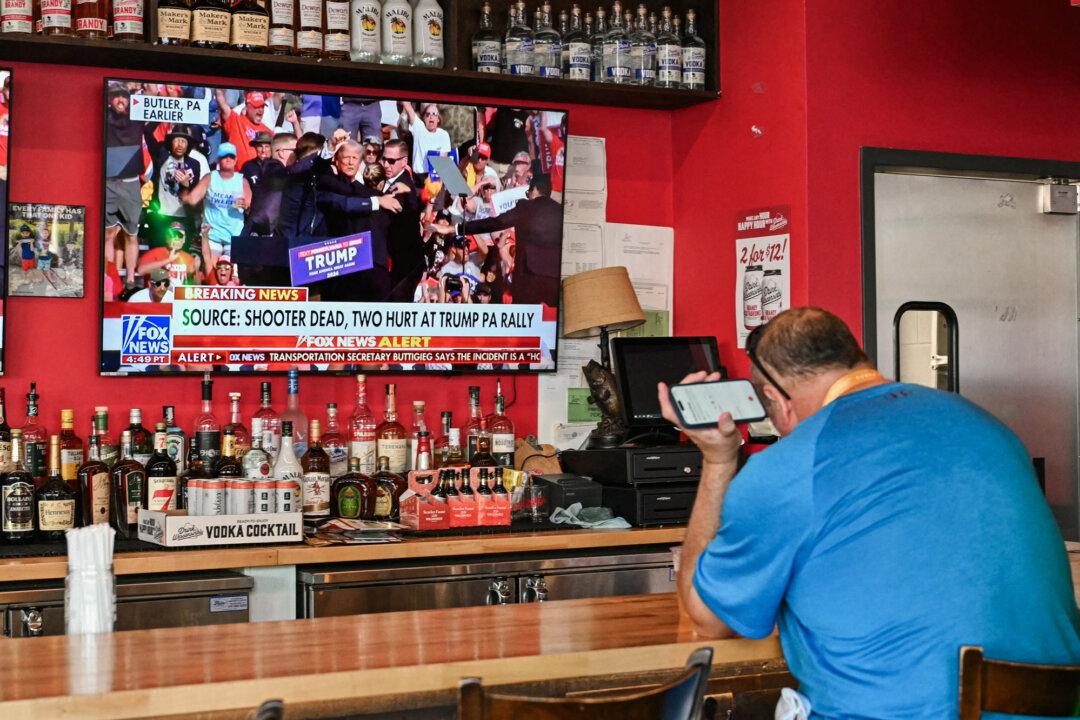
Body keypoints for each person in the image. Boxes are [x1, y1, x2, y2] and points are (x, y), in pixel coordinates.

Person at [659, 307, 1080, 718]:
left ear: (774, 399)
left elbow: (710, 620)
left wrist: (718, 461)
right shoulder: (986, 424)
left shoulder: (791, 465)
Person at [436, 174, 561, 306]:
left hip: (528, 278)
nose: (527, 195)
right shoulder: (560, 211)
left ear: (534, 189)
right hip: (554, 277)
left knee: (524, 323)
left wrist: (456, 229)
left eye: (528, 192)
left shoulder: (525, 207)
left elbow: (496, 223)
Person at [104, 85, 146, 291]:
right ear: (109, 99)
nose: (120, 100)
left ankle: (130, 280)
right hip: (108, 182)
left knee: (131, 235)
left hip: (130, 183)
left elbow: (156, 99)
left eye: (124, 96)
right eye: (116, 96)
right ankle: (107, 278)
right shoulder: (103, 118)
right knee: (109, 234)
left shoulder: (138, 117)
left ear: (130, 100)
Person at [183, 142, 251, 265]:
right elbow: (192, 200)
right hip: (212, 235)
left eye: (231, 156)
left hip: (234, 237)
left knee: (231, 277)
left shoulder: (242, 180)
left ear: (236, 160)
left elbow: (248, 204)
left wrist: (243, 204)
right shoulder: (209, 177)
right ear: (219, 159)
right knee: (212, 274)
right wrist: (184, 188)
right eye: (225, 156)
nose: (228, 159)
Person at [144, 123, 201, 251]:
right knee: (158, 251)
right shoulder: (161, 154)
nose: (180, 144)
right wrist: (163, 110)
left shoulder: (194, 164)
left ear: (188, 144)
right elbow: (147, 131)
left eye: (183, 141)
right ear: (171, 142)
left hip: (183, 215)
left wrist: (186, 185)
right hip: (161, 214)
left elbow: (195, 193)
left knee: (181, 253)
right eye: (176, 140)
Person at [378, 138, 423, 301]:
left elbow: (410, 210)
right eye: (383, 159)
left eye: (391, 161)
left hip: (405, 263)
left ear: (404, 162)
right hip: (395, 260)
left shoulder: (403, 187)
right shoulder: (386, 179)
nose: (386, 165)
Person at [216, 89, 273, 169]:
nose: (260, 110)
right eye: (256, 107)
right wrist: (217, 85)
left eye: (262, 106)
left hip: (260, 176)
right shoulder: (236, 121)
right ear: (247, 107)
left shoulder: (267, 131)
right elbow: (222, 103)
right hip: (239, 177)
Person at [136, 222, 199, 287]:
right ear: (167, 238)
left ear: (184, 239)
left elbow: (197, 286)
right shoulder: (154, 253)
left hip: (179, 295)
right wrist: (168, 260)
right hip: (158, 295)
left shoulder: (188, 258)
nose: (176, 238)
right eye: (173, 235)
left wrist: (196, 270)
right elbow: (141, 270)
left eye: (180, 236)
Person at [402, 102, 451, 185]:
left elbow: (443, 160)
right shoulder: (418, 127)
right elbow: (407, 105)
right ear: (424, 118)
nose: (431, 116)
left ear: (438, 119)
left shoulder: (444, 134)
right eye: (427, 114)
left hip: (434, 178)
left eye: (434, 114)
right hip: (418, 178)